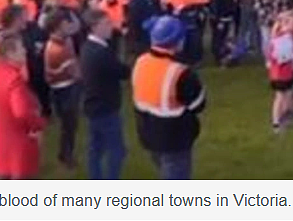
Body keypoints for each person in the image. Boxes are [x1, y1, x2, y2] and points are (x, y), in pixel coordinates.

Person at [131, 16, 206, 180]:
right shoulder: (180, 72)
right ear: (178, 42)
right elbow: (198, 104)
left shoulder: (141, 61)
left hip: (147, 133)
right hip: (175, 138)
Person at [0, 32, 45, 180]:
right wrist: (38, 124)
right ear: (10, 54)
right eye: (20, 48)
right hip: (18, 149)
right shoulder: (14, 79)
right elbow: (22, 112)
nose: (25, 51)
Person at [80, 9, 130, 180]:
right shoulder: (100, 52)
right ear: (94, 27)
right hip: (105, 107)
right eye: (106, 24)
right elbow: (122, 71)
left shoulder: (88, 47)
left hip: (93, 105)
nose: (111, 27)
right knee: (117, 150)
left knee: (96, 148)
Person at [43, 7, 82, 169]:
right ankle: (66, 156)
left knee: (67, 125)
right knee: (69, 126)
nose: (69, 26)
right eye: (66, 23)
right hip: (66, 90)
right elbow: (76, 73)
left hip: (58, 89)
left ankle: (65, 154)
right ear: (59, 25)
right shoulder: (61, 49)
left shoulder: (56, 43)